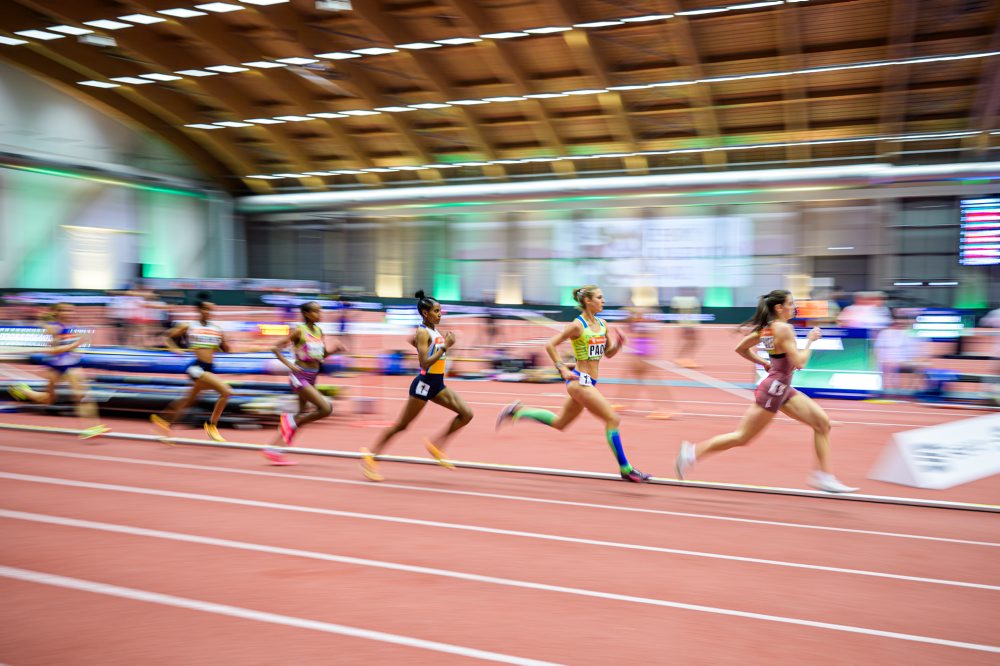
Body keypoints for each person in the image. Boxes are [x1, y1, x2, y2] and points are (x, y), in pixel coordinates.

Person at [675, 290, 857, 493]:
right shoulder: (784, 329)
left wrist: (764, 362)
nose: (794, 307)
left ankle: (823, 476)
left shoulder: (768, 329)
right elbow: (800, 363)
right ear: (779, 308)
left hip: (781, 388)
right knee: (742, 437)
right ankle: (691, 452)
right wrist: (811, 341)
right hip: (773, 391)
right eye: (790, 303)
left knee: (822, 423)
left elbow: (741, 348)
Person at [496, 285, 651, 482]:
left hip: (590, 382)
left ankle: (518, 411)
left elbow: (608, 354)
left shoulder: (603, 324)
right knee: (613, 419)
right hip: (579, 382)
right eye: (599, 297)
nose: (603, 301)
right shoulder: (577, 326)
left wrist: (619, 344)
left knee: (560, 423)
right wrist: (561, 368)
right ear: (588, 301)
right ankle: (626, 468)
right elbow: (550, 344)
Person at [360, 291, 474, 481]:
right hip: (424, 384)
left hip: (437, 384)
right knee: (402, 425)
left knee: (467, 414)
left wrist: (435, 345)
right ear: (425, 313)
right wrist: (446, 347)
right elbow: (424, 363)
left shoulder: (432, 331)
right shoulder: (423, 331)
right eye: (436, 311)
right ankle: (371, 456)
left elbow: (418, 344)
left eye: (440, 311)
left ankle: (436, 446)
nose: (440, 314)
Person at [8, 303, 109, 439]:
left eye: (72, 310)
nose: (70, 313)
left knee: (82, 395)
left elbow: (74, 347)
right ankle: (22, 390)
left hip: (71, 366)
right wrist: (75, 345)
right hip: (55, 367)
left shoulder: (72, 326)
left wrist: (77, 350)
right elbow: (53, 351)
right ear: (57, 312)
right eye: (66, 310)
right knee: (48, 400)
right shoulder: (53, 328)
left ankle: (93, 427)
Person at [263, 301, 345, 465]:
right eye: (315, 312)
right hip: (299, 376)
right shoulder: (300, 331)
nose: (319, 314)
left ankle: (275, 450)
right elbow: (274, 347)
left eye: (320, 311)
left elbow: (320, 357)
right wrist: (289, 365)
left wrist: (335, 350)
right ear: (306, 314)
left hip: (313, 376)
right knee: (326, 408)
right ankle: (289, 422)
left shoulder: (319, 331)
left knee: (302, 414)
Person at [150, 300, 233, 442]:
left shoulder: (217, 329)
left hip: (209, 369)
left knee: (189, 400)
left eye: (211, 310)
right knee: (227, 391)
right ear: (199, 310)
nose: (209, 312)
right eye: (206, 309)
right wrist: (173, 348)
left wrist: (224, 341)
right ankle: (211, 425)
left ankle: (163, 420)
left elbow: (227, 350)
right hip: (196, 367)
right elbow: (167, 336)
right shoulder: (189, 326)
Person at [612, 305, 677, 419]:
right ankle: (623, 402)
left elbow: (647, 333)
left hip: (644, 354)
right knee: (628, 377)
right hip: (638, 353)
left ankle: (666, 408)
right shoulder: (637, 322)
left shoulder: (645, 322)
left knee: (652, 382)